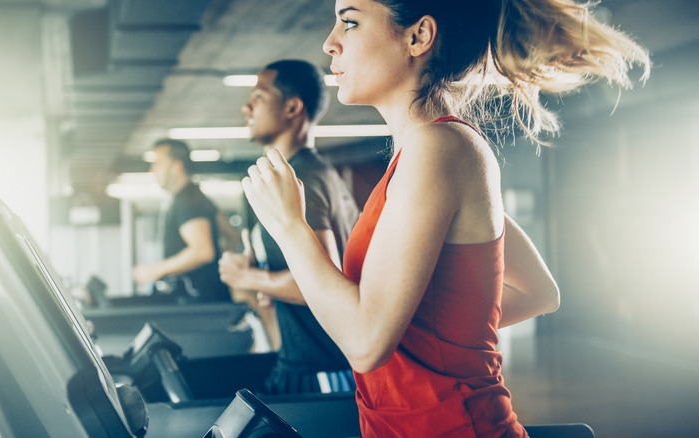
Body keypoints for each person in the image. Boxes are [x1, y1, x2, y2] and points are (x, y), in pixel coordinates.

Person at [241, 0, 649, 436]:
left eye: (350, 23)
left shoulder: (438, 148)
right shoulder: (422, 156)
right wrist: (417, 329)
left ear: (418, 36)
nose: (329, 43)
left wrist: (289, 226)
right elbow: (538, 292)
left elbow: (364, 343)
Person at [218, 59, 361, 395]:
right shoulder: (310, 172)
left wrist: (249, 278)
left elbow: (322, 281)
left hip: (321, 369)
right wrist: (269, 284)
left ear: (293, 107)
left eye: (259, 96)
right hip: (306, 361)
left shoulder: (302, 180)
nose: (247, 107)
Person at [132, 138, 231, 304]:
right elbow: (231, 236)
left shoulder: (186, 200)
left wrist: (155, 270)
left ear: (176, 167)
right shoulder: (197, 197)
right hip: (210, 298)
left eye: (158, 164)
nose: (152, 170)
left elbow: (203, 251)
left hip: (199, 303)